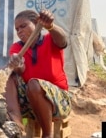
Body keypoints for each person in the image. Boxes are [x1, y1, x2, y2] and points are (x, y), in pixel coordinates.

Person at [4, 10, 71, 138]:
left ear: (36, 24)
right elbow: (20, 70)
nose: (19, 31)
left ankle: (47, 135)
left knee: (34, 84)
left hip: (58, 102)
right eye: (17, 29)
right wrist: (16, 64)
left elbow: (63, 41)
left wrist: (50, 26)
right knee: (9, 75)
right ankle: (17, 123)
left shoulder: (50, 39)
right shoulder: (17, 48)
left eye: (23, 26)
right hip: (30, 104)